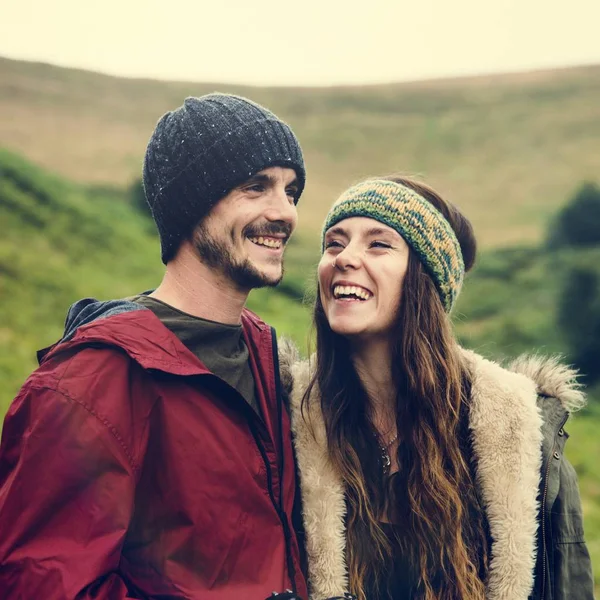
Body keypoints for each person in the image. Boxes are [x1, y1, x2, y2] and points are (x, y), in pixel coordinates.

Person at [0, 94, 309, 599]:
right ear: (192, 204)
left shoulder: (270, 360)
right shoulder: (87, 384)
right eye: (256, 187)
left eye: (290, 191)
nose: (284, 213)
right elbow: (45, 587)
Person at [282, 176, 595, 600]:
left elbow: (566, 585)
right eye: (334, 243)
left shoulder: (520, 428)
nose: (344, 258)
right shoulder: (290, 416)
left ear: (425, 279)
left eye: (378, 244)